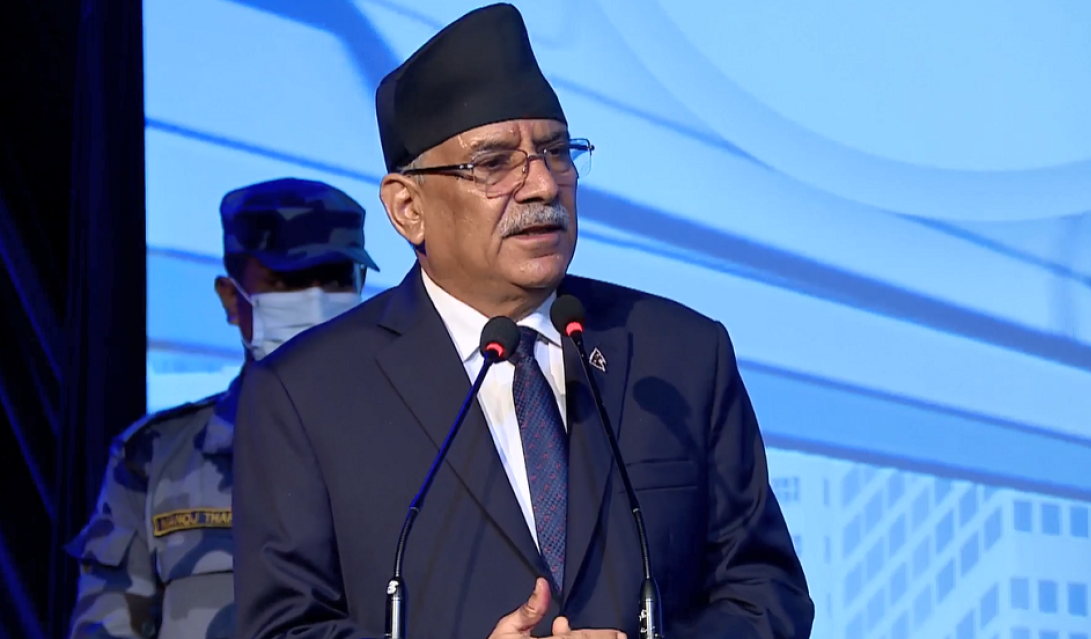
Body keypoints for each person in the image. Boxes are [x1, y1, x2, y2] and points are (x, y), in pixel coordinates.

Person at [233, 4, 814, 639]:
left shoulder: (678, 354)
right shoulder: (306, 393)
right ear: (407, 208)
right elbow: (285, 629)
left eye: (557, 152)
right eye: (493, 163)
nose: (542, 185)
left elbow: (765, 592)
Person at [65, 177, 379, 639]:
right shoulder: (152, 460)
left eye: (334, 279)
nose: (315, 300)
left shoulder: (412, 442)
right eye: (287, 281)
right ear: (232, 298)